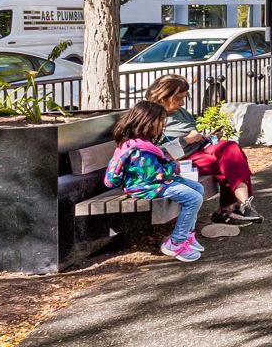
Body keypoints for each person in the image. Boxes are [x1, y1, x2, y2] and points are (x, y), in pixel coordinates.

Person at [144, 76, 259, 222]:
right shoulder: (150, 116)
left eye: (184, 97)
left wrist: (206, 137)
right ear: (164, 96)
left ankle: (244, 205)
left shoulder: (179, 111)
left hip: (198, 150)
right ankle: (230, 209)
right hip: (178, 161)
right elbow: (151, 152)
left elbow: (192, 132)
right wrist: (185, 140)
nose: (182, 102)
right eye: (179, 98)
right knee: (228, 163)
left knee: (231, 148)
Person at [104, 101, 207, 262]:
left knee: (198, 188)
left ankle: (187, 234)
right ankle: (176, 242)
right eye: (160, 122)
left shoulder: (142, 143)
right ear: (148, 122)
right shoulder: (139, 149)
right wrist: (174, 168)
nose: (162, 126)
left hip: (151, 183)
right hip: (143, 187)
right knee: (193, 198)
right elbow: (153, 176)